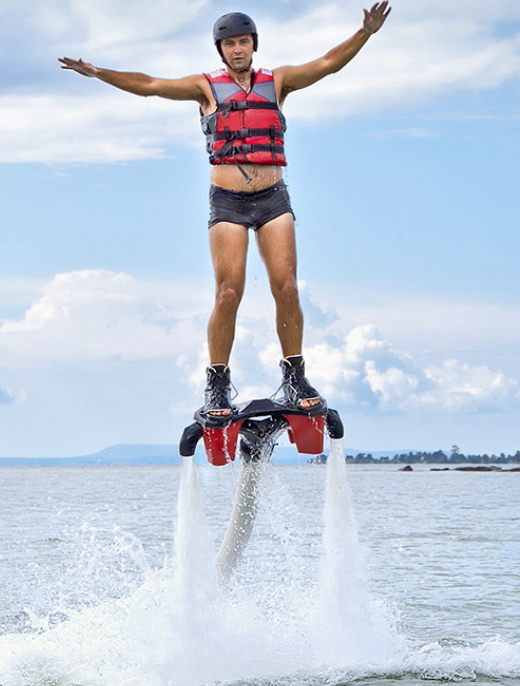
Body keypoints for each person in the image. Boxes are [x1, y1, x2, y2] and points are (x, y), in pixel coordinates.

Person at [59, 2, 391, 423]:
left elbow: (327, 64)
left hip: (273, 198)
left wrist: (365, 34)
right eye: (230, 44)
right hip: (228, 201)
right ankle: (217, 381)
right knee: (228, 292)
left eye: (243, 42)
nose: (237, 50)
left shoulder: (279, 81)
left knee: (286, 286)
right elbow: (149, 84)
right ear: (221, 50)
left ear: (254, 45)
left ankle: (295, 376)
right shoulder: (205, 87)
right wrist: (99, 72)